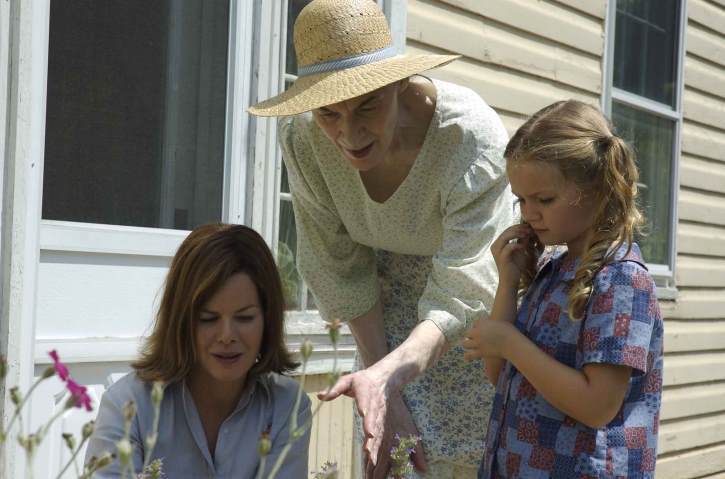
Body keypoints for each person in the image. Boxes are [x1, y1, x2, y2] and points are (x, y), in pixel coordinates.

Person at [249, 0, 513, 477]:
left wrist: (390, 376)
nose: (349, 133)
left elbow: (464, 286)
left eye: (367, 105)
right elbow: (339, 266)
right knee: (394, 458)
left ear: (397, 82)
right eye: (329, 112)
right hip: (381, 326)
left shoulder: (468, 138)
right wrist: (383, 386)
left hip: (474, 331)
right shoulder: (306, 141)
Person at [463, 100, 664, 478]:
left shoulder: (620, 280)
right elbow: (501, 375)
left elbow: (597, 405)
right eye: (521, 200)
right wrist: (508, 281)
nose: (529, 213)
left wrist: (508, 341)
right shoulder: (553, 273)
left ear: (598, 189)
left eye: (544, 199)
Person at [84, 224, 311, 478]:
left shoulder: (287, 406)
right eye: (208, 318)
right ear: (181, 321)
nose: (227, 336)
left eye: (245, 318)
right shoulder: (127, 406)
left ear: (268, 320)